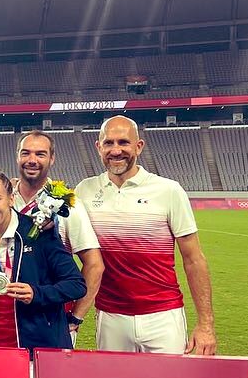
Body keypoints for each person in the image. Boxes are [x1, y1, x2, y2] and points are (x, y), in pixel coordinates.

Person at [75, 116, 217, 355]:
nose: (116, 150)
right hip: (111, 316)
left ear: (139, 146)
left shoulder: (168, 190)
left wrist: (206, 325)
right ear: (98, 147)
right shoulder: (83, 191)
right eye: (108, 143)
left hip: (163, 316)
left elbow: (194, 259)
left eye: (123, 142)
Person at [0, 169, 86, 349]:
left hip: (38, 348)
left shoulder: (37, 232)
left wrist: (37, 293)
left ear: (11, 199)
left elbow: (76, 285)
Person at [14, 130, 104, 341]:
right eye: (26, 153)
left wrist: (76, 317)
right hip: (5, 320)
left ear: (52, 158)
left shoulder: (67, 206)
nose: (32, 160)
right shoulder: (3, 198)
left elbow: (94, 265)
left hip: (51, 322)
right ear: (17, 156)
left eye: (40, 154)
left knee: (51, 375)